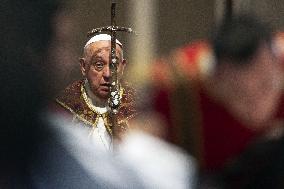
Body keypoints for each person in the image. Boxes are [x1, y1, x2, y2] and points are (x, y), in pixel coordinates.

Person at [152, 14, 284, 173]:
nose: (257, 104)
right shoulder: (173, 91)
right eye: (239, 93)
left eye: (265, 85)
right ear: (215, 80)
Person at [55, 34, 137, 150]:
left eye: (114, 65)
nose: (108, 74)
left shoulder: (137, 106)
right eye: (99, 65)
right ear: (83, 66)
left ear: (122, 66)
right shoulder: (64, 106)